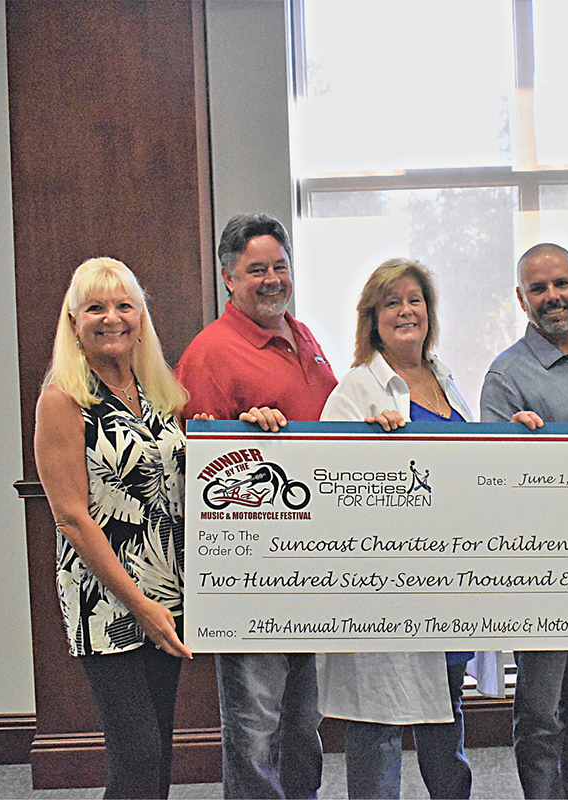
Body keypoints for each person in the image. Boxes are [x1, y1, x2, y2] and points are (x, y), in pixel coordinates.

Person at [319, 258, 537, 799]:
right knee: (379, 732)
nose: (405, 310)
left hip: (448, 593)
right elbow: (328, 492)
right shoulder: (355, 392)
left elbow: (461, 472)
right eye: (391, 302)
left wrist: (505, 439)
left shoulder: (444, 379)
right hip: (388, 601)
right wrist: (369, 447)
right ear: (372, 318)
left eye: (414, 299)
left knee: (446, 721)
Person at [176, 213, 336, 799]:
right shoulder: (210, 354)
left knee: (303, 721)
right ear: (227, 278)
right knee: (254, 724)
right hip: (252, 569)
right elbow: (196, 462)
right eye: (256, 270)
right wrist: (247, 433)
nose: (272, 279)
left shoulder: (305, 337)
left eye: (279, 266)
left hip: (311, 560)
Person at [34, 257, 192, 799]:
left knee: (159, 752)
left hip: (165, 590)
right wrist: (140, 605)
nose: (112, 318)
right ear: (74, 321)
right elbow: (72, 518)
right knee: (137, 755)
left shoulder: (158, 395)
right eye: (95, 307)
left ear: (141, 318)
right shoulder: (62, 401)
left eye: (125, 305)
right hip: (106, 603)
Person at [479, 243, 568, 800]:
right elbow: (492, 478)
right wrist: (515, 443)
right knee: (540, 711)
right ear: (521, 298)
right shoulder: (505, 375)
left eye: (561, 284)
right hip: (540, 566)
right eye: (538, 289)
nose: (552, 297)